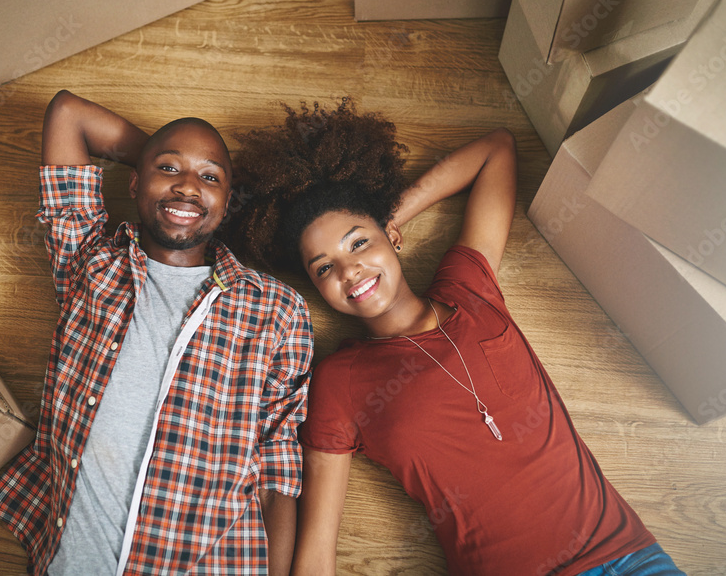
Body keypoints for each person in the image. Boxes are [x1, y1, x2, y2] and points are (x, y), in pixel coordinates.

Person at [224, 100, 685, 576]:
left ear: (391, 237)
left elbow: (496, 151)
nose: (349, 269)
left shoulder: (469, 289)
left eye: (359, 242)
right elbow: (317, 549)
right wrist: (371, 230)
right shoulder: (340, 382)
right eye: (323, 267)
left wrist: (391, 214)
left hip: (631, 558)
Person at [0, 90, 313, 576]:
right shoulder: (90, 263)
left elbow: (278, 461)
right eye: (168, 168)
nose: (187, 187)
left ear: (228, 202)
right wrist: (174, 177)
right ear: (135, 182)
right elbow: (68, 114)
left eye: (210, 178)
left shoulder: (276, 308)